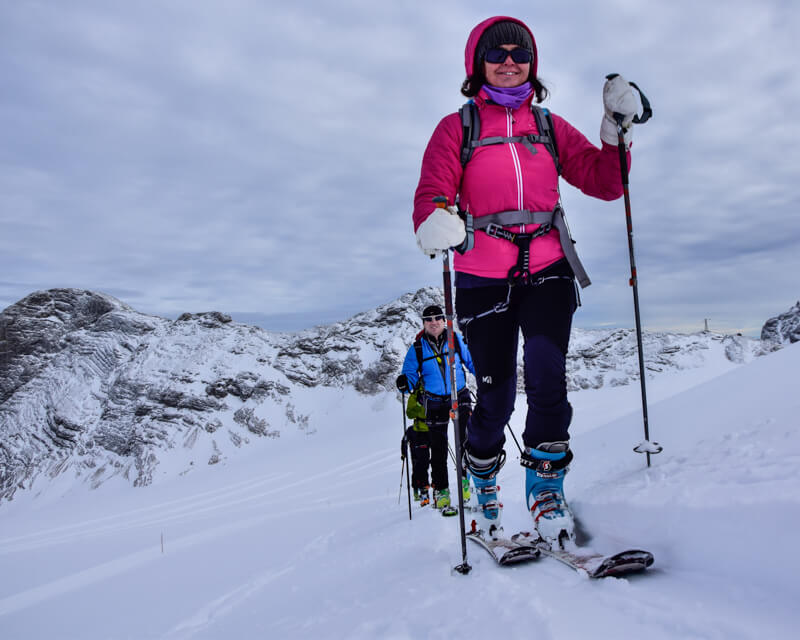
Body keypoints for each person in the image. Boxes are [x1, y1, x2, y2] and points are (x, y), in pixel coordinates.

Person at [411, 16, 639, 543]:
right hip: (481, 278)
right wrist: (432, 220)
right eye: (497, 53)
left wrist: (615, 133)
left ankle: (545, 486)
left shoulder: (549, 127)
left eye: (520, 53)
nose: (509, 61)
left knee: (547, 374)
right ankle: (483, 476)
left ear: (532, 64)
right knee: (496, 397)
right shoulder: (458, 128)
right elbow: (432, 192)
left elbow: (606, 183)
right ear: (477, 64)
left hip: (549, 269)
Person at [396, 304, 475, 511]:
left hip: (460, 396)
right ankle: (442, 492)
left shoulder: (455, 340)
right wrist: (406, 382)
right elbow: (411, 374)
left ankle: (467, 484)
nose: (434, 322)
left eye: (437, 318)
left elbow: (470, 362)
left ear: (444, 320)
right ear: (423, 323)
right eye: (429, 319)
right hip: (433, 402)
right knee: (438, 450)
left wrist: (488, 374)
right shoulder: (418, 348)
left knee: (466, 442)